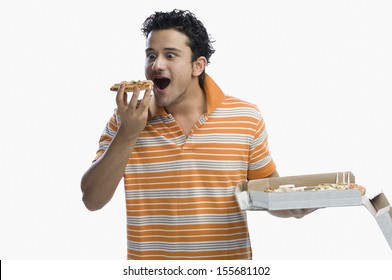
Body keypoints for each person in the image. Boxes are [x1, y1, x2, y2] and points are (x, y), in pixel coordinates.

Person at [81, 9, 314, 260]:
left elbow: (267, 194)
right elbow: (92, 199)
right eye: (151, 55)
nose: (156, 65)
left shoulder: (245, 117)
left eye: (170, 55)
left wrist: (296, 207)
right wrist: (128, 133)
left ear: (197, 65)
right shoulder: (126, 118)